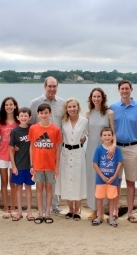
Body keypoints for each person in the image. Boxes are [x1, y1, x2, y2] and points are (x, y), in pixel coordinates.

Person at [110, 80, 137, 223]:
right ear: (118, 90)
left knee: (131, 182)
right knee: (116, 181)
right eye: (122, 88)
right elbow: (108, 128)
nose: (125, 91)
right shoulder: (112, 108)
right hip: (116, 147)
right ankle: (115, 210)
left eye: (127, 88)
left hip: (132, 147)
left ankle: (130, 212)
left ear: (131, 89)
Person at [29, 76, 66, 216]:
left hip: (57, 145)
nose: (51, 89)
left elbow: (65, 123)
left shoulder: (62, 103)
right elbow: (30, 123)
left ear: (57, 87)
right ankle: (43, 208)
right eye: (49, 86)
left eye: (54, 86)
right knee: (41, 179)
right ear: (45, 87)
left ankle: (54, 205)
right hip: (40, 146)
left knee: (54, 176)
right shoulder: (35, 103)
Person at [85, 87, 117, 220]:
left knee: (105, 177)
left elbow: (113, 133)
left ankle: (103, 210)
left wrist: (114, 146)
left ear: (102, 98)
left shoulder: (109, 113)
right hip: (91, 149)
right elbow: (86, 132)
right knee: (92, 178)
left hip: (106, 150)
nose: (96, 99)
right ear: (91, 98)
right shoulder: (88, 113)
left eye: (98, 96)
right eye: (94, 96)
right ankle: (95, 210)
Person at [29, 103, 62, 224]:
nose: (44, 115)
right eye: (41, 113)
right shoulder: (33, 128)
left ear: (50, 113)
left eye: (46, 113)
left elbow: (58, 149)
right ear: (38, 114)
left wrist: (57, 166)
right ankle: (40, 212)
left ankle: (48, 212)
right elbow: (31, 147)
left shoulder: (55, 129)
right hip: (37, 165)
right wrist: (31, 165)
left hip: (50, 165)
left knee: (49, 188)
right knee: (39, 188)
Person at [55, 98, 88, 221]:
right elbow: (59, 137)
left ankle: (77, 210)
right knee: (67, 180)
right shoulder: (63, 122)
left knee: (78, 180)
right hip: (65, 152)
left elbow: (88, 133)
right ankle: (70, 210)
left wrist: (84, 138)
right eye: (69, 107)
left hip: (79, 152)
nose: (72, 109)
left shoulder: (84, 121)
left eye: (74, 106)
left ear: (78, 107)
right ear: (66, 109)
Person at [92, 127, 123, 227]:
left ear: (112, 137)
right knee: (99, 198)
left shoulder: (116, 149)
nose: (107, 137)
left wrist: (114, 176)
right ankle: (99, 216)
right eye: (105, 135)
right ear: (101, 137)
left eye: (109, 135)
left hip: (112, 179)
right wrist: (101, 175)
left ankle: (111, 218)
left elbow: (119, 163)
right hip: (101, 179)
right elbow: (95, 164)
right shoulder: (99, 149)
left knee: (111, 198)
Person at [9, 107, 35, 221]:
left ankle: (29, 211)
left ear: (30, 117)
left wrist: (34, 165)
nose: (24, 118)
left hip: (29, 165)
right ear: (18, 117)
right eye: (21, 116)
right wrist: (13, 166)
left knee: (28, 188)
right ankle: (19, 212)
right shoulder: (15, 131)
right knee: (18, 188)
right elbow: (10, 150)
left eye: (26, 116)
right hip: (18, 165)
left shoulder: (32, 129)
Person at [0, 97, 19, 219]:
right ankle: (5, 208)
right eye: (6, 105)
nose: (9, 107)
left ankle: (13, 208)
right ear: (4, 107)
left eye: (11, 104)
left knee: (13, 182)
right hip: (2, 154)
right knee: (4, 182)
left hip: (15, 157)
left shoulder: (19, 120)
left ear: (15, 106)